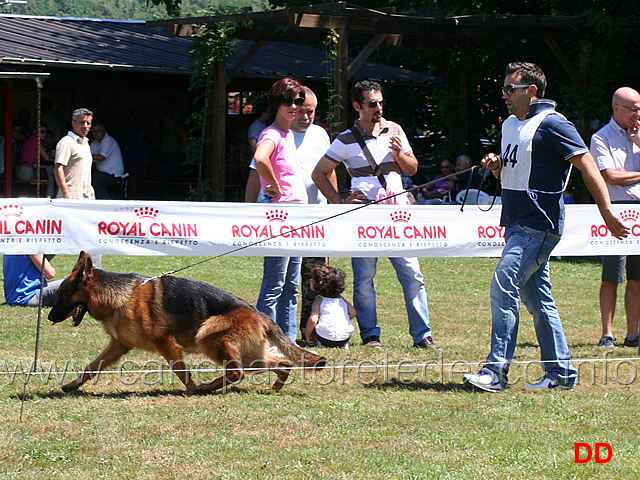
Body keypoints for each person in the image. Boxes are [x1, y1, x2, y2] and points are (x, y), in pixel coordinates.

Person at [463, 61, 629, 392]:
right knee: (539, 300)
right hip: (515, 222)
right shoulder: (510, 125)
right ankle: (561, 374)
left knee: (502, 286)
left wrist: (606, 210)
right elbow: (514, 173)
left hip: (538, 226)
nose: (505, 96)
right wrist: (497, 167)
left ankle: (495, 372)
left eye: (511, 89)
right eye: (504, 89)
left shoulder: (553, 124)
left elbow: (587, 164)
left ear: (532, 91)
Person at [312, 79, 437, 349]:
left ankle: (423, 335)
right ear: (358, 106)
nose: (378, 107)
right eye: (372, 104)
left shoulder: (395, 130)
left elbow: (412, 169)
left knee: (413, 275)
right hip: (364, 216)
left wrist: (398, 155)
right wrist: (339, 201)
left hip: (398, 215)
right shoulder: (345, 139)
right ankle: (371, 336)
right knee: (364, 280)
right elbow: (319, 172)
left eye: (380, 102)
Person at [254, 77, 308, 342]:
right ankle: (266, 342)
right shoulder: (272, 134)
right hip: (281, 217)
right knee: (274, 284)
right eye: (287, 101)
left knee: (291, 286)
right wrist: (274, 184)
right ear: (276, 104)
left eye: (297, 101)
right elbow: (259, 158)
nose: (294, 106)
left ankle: (289, 343)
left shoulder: (288, 134)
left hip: (297, 218)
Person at [590, 87, 640, 349]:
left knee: (637, 277)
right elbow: (611, 176)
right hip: (616, 208)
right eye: (633, 109)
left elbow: (623, 175)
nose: (637, 114)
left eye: (639, 108)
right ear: (616, 108)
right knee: (611, 275)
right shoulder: (601, 138)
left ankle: (633, 334)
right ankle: (607, 333)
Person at [305, 264, 357, 349]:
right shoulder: (341, 299)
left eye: (313, 280)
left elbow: (313, 320)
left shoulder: (319, 301)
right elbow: (353, 313)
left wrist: (307, 335)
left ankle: (319, 342)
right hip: (344, 337)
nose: (310, 280)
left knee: (316, 324)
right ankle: (344, 344)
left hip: (324, 338)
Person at [54, 107, 95, 200]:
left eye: (88, 123)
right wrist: (66, 193)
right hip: (71, 197)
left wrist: (90, 187)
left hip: (86, 197)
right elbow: (58, 168)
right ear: (73, 123)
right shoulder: (66, 142)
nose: (85, 126)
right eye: (82, 122)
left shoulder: (86, 143)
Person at [16, 124, 55, 197]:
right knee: (51, 173)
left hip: (22, 170)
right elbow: (46, 158)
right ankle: (50, 196)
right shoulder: (37, 140)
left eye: (45, 132)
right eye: (41, 131)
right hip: (27, 171)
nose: (44, 134)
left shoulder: (30, 139)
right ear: (35, 131)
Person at [90, 120, 126, 199]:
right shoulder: (94, 143)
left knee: (97, 183)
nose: (96, 134)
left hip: (113, 172)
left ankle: (107, 203)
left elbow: (101, 157)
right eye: (93, 132)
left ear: (104, 131)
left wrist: (87, 156)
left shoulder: (109, 140)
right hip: (101, 172)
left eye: (98, 131)